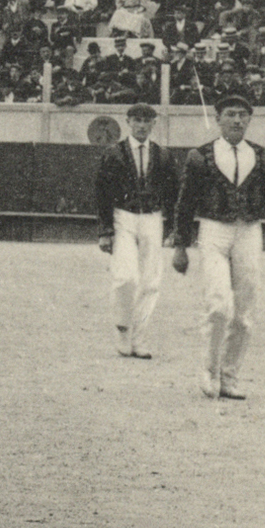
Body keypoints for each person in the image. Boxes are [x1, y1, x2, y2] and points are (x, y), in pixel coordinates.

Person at [171, 94, 265, 400]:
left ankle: (229, 376)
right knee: (218, 305)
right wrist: (181, 245)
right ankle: (209, 370)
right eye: (230, 114)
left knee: (244, 312)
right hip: (212, 231)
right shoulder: (200, 156)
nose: (237, 120)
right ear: (218, 118)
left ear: (249, 120)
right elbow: (185, 203)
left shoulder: (262, 156)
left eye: (242, 115)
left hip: (250, 231)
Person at [95, 103, 180, 360]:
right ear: (128, 122)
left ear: (154, 124)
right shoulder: (114, 153)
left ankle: (140, 336)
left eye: (147, 121)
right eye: (137, 120)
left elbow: (173, 193)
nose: (142, 125)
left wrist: (175, 227)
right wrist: (105, 230)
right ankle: (123, 327)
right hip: (123, 216)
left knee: (151, 280)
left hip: (152, 218)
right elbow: (102, 193)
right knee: (126, 276)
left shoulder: (163, 155)